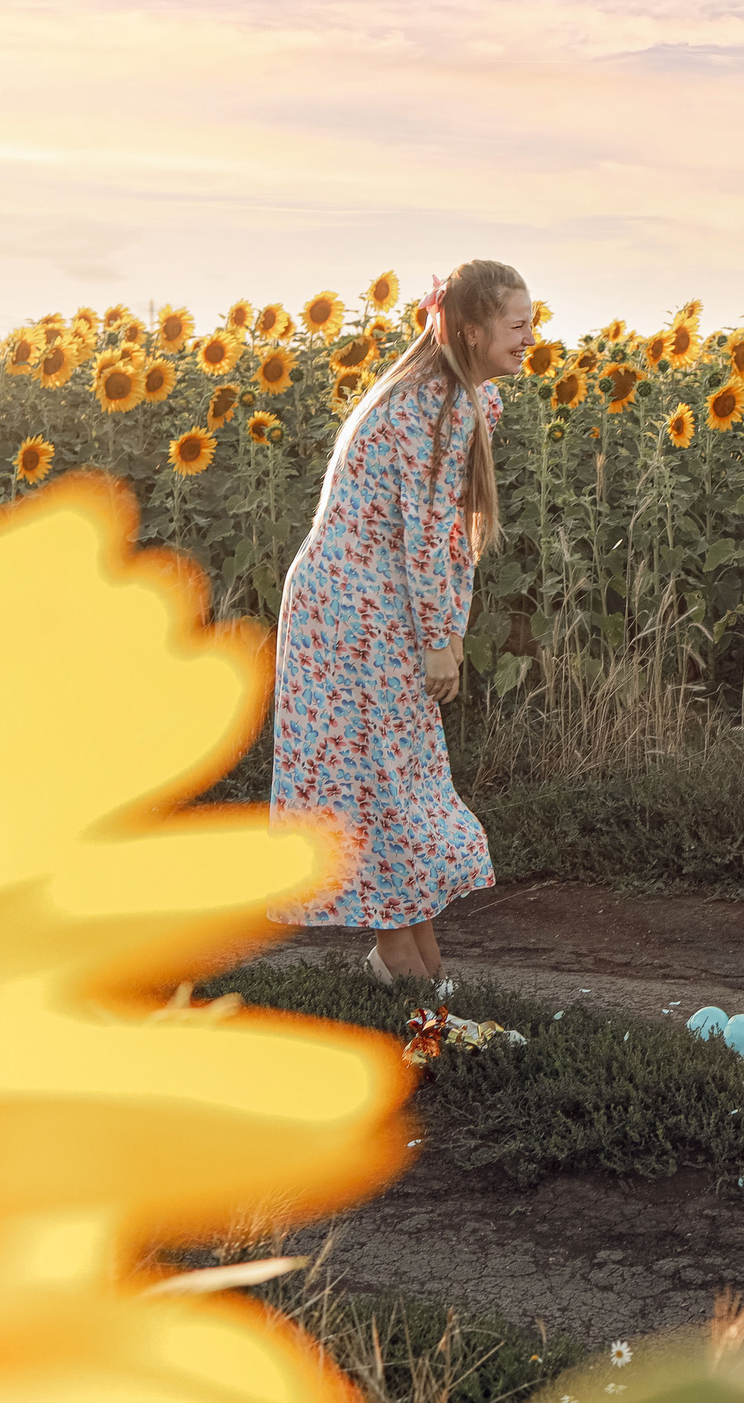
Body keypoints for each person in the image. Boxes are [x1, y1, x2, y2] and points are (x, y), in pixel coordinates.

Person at [266, 258, 534, 988]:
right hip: (354, 607)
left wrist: (435, 628)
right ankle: (400, 957)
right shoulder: (433, 407)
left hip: (365, 601)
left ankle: (408, 954)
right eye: (517, 325)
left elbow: (444, 535)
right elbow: (427, 535)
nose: (529, 338)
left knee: (397, 769)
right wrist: (441, 640)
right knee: (380, 772)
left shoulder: (454, 397)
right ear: (473, 330)